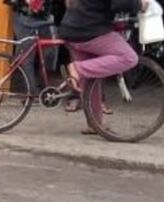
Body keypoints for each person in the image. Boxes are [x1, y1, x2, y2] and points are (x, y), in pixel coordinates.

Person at [58, 0, 144, 131]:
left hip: (72, 29)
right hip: (91, 30)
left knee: (90, 79)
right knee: (129, 58)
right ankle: (78, 68)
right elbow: (119, 3)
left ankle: (94, 124)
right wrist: (139, 5)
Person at [5, 0, 58, 94]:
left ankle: (44, 87)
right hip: (24, 18)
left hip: (45, 18)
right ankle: (30, 91)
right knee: (26, 57)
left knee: (49, 54)